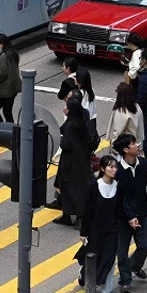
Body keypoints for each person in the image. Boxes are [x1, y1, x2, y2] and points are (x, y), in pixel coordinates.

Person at [113, 133, 147, 293]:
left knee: (146, 245)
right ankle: (125, 280)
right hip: (123, 217)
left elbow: (146, 184)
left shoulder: (143, 163)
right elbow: (120, 198)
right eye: (133, 144)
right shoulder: (117, 172)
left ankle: (135, 266)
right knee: (122, 251)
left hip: (142, 212)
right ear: (125, 150)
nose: (138, 145)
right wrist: (130, 216)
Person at [77, 155, 121, 293]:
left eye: (115, 167)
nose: (114, 170)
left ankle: (107, 292)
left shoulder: (118, 186)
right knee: (94, 258)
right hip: (96, 230)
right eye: (110, 167)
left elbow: (121, 208)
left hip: (112, 230)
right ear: (103, 169)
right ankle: (84, 273)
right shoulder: (94, 185)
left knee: (109, 259)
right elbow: (87, 210)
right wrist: (83, 232)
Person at [55, 96, 93, 226]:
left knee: (68, 189)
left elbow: (65, 144)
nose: (64, 109)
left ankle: (70, 215)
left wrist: (60, 139)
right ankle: (77, 216)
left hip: (69, 163)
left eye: (66, 107)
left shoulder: (71, 127)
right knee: (79, 189)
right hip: (82, 161)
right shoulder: (81, 123)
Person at [0, 33, 21, 124]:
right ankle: (12, 133)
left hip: (5, 90)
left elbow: (1, 74)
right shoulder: (13, 54)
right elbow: (9, 69)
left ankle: (2, 129)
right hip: (13, 88)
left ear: (1, 44)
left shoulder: (3, 56)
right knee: (8, 112)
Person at [106, 83, 142, 151]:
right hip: (134, 143)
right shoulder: (136, 107)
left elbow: (117, 132)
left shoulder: (121, 111)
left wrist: (113, 146)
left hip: (123, 146)